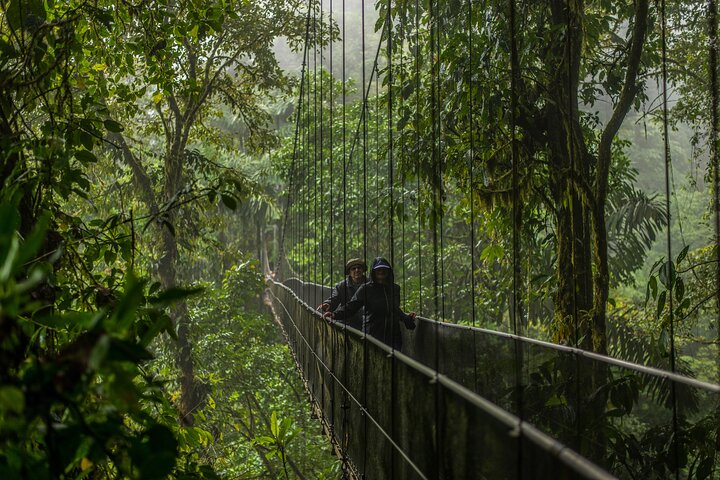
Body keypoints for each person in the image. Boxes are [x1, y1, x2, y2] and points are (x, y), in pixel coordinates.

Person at [324, 257, 416, 351]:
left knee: (394, 363)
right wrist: (334, 314)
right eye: (378, 269)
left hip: (393, 336)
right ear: (373, 272)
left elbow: (394, 309)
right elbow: (351, 306)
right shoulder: (366, 289)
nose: (381, 271)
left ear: (389, 271)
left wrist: (406, 318)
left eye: (384, 269)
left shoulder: (395, 289)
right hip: (373, 335)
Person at [317, 258, 367, 330]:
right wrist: (328, 304)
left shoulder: (370, 284)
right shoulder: (341, 286)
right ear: (349, 272)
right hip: (348, 325)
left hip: (366, 325)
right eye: (353, 268)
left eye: (359, 268)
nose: (357, 270)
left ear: (362, 270)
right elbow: (335, 298)